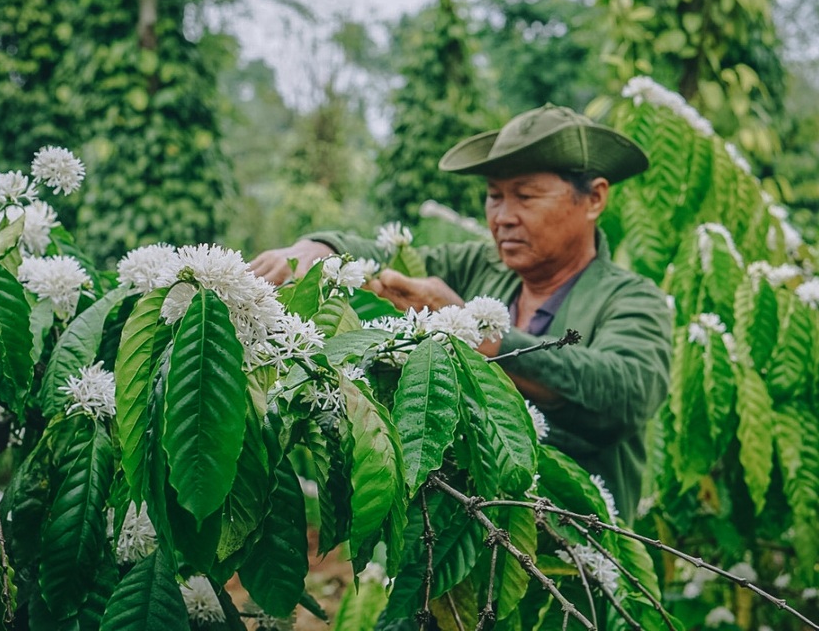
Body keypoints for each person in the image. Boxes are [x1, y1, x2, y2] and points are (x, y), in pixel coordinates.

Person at [251, 104, 672, 524]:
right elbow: (382, 257)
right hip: (452, 538)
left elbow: (627, 391)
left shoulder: (632, 300)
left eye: (525, 196)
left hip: (567, 556)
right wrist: (319, 250)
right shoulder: (480, 266)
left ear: (594, 198)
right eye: (494, 196)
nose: (503, 217)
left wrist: (482, 336)